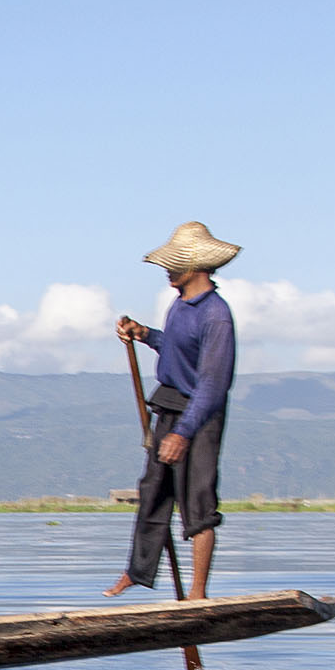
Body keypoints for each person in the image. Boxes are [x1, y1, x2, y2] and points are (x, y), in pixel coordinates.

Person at [105, 220, 241, 599]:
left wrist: (184, 433)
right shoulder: (180, 306)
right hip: (169, 403)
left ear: (195, 266)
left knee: (198, 501)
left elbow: (213, 383)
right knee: (153, 490)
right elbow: (177, 349)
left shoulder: (216, 315)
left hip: (200, 413)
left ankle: (197, 591)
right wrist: (145, 334)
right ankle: (137, 571)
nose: (167, 269)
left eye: (174, 263)